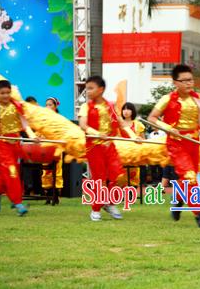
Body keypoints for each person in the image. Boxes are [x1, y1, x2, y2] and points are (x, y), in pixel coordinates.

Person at [148, 64, 200, 228]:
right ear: (175, 82)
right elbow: (152, 118)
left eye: (190, 80)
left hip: (194, 143)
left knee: (187, 178)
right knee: (190, 177)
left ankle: (178, 200)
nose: (189, 83)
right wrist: (168, 128)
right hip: (176, 143)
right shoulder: (167, 99)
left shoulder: (198, 99)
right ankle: (199, 215)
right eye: (184, 80)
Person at [78, 76, 139, 221]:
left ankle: (110, 203)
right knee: (100, 179)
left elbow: (122, 123)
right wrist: (98, 134)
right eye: (87, 88)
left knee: (117, 176)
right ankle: (96, 209)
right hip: (94, 148)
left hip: (110, 147)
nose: (88, 91)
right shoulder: (85, 107)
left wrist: (133, 136)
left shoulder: (111, 106)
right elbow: (83, 125)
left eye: (91, 88)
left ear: (101, 90)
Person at [0, 80, 37, 216]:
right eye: (2, 93)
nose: (5, 95)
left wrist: (32, 136)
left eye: (8, 92)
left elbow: (25, 125)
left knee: (5, 175)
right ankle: (18, 202)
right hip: (1, 145)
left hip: (15, 145)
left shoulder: (16, 106)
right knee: (11, 171)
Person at [41, 97, 64, 205]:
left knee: (57, 170)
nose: (48, 107)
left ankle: (56, 195)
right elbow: (39, 131)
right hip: (45, 148)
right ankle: (48, 194)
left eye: (50, 105)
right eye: (46, 105)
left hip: (57, 148)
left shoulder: (60, 119)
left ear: (55, 106)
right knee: (46, 171)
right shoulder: (43, 119)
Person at [120, 102, 145, 188]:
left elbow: (144, 140)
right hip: (121, 153)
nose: (125, 111)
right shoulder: (118, 124)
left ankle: (131, 191)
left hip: (134, 154)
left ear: (132, 111)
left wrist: (139, 140)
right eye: (124, 109)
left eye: (128, 109)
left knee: (133, 174)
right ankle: (120, 192)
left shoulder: (138, 124)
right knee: (120, 174)